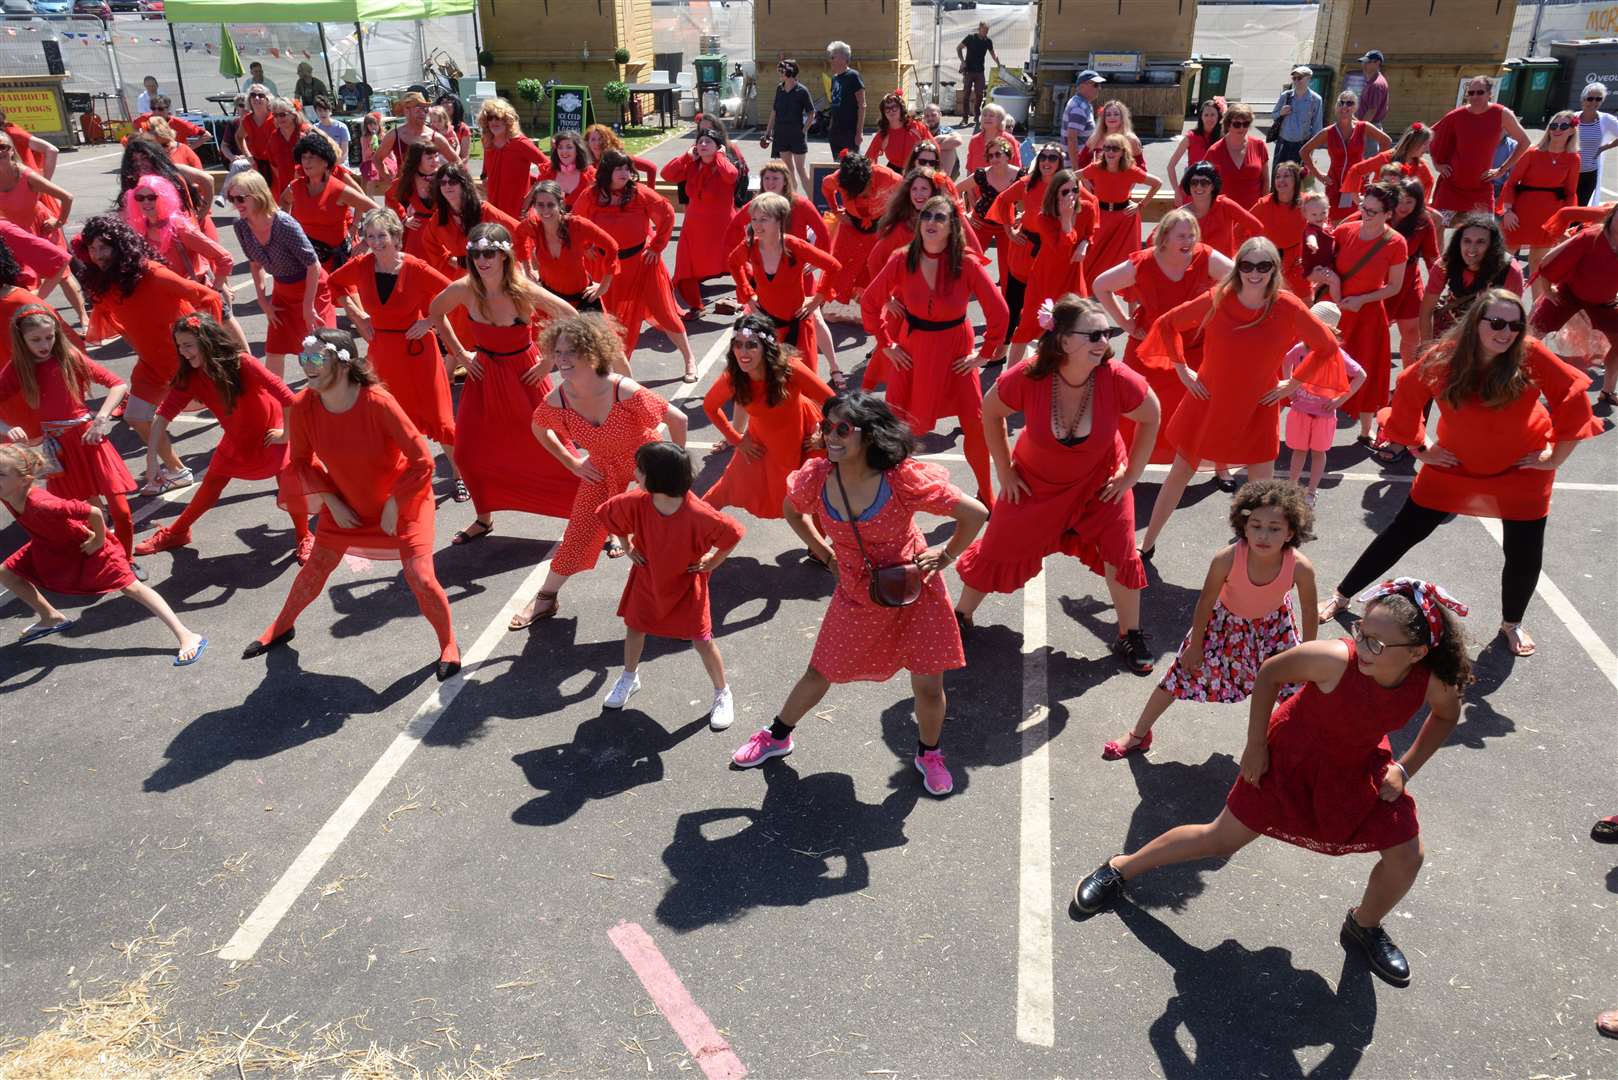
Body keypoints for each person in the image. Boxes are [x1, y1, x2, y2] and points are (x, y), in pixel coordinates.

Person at [1074, 578, 1471, 989]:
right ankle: (1120, 869)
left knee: (1408, 853)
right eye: (1362, 632)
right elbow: (1268, 674)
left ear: (1418, 653)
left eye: (1377, 643)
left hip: (1355, 766)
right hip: (1289, 758)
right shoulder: (1336, 658)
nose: (1362, 645)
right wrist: (1256, 744)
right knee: (1220, 840)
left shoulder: (1430, 681)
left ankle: (1363, 925)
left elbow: (1445, 715)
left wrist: (1404, 769)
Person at [728, 391, 987, 794]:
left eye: (843, 428)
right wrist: (825, 554)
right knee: (820, 670)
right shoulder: (816, 477)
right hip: (855, 591)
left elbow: (975, 513)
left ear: (869, 434)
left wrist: (945, 555)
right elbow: (792, 510)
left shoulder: (900, 478)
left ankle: (928, 754)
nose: (831, 435)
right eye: (826, 426)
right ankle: (777, 735)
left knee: (928, 687)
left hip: (913, 592)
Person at [1323, 290, 1602, 656]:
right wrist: (1421, 448)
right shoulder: (1447, 357)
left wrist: (1554, 458)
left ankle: (1511, 624)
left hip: (1521, 472)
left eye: (1515, 326)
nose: (1506, 333)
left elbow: (1575, 396)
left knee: (1524, 551)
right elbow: (1406, 394)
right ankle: (1343, 595)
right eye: (1497, 323)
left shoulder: (1530, 354)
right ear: (1476, 323)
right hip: (1452, 468)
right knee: (1402, 533)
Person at [953, 294, 1159, 671]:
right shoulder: (1030, 375)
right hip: (1035, 481)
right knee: (998, 542)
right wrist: (1005, 470)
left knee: (1121, 549)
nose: (1104, 343)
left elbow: (1152, 414)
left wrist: (1131, 475)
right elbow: (992, 410)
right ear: (1063, 340)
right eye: (1094, 335)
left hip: (1101, 482)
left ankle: (1130, 633)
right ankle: (961, 615)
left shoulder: (1115, 378)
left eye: (1107, 334)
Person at [245, 328, 460, 680]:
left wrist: (394, 502)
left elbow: (423, 460)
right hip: (346, 504)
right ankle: (281, 627)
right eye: (305, 358)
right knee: (315, 568)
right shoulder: (303, 406)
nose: (308, 366)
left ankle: (448, 644)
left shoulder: (377, 401)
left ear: (343, 364)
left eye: (317, 359)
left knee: (420, 577)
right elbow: (300, 462)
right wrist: (332, 499)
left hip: (404, 502)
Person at [1136, 236, 1346, 557]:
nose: (1255, 273)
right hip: (1208, 403)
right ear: (1239, 268)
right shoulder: (1218, 297)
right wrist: (1182, 370)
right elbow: (1167, 325)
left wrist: (1291, 385)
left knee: (1260, 492)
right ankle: (1147, 543)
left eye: (1264, 266)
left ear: (1274, 269)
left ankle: (1255, 556)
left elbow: (1326, 347)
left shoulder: (1288, 306)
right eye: (1247, 265)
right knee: (1180, 474)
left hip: (1257, 408)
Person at [1104, 479, 1317, 759]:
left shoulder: (1300, 567)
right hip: (1224, 625)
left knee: (1296, 692)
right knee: (1178, 676)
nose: (1263, 535)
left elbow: (1310, 612)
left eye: (1274, 529)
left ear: (1291, 532)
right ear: (1243, 525)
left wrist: (1307, 655)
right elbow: (1205, 602)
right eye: (1256, 526)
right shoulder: (1227, 559)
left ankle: (1282, 749)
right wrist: (1195, 647)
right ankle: (1138, 735)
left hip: (1274, 629)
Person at [515, 313, 688, 628]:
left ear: (591, 352)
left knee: (666, 525)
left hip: (644, 462)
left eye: (572, 352)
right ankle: (546, 598)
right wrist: (573, 463)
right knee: (579, 532)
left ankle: (680, 590)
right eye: (558, 352)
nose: (562, 360)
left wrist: (674, 469)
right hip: (601, 466)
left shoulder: (623, 389)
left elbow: (678, 419)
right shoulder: (558, 398)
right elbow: (539, 429)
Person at [427, 223, 580, 544]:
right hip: (484, 374)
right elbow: (434, 313)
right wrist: (461, 354)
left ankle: (593, 517)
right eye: (476, 253)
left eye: (490, 253)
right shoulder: (465, 288)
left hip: (524, 373)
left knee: (554, 447)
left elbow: (569, 314)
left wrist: (549, 360)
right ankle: (484, 518)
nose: (482, 260)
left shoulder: (521, 289)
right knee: (468, 452)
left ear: (504, 255)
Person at [861, 195, 1009, 505]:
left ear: (952, 225)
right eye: (927, 217)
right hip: (913, 350)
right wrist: (886, 344)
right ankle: (892, 492)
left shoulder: (966, 262)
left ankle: (987, 492)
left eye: (939, 218)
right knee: (896, 426)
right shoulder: (902, 259)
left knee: (976, 425)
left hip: (956, 353)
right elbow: (871, 302)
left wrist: (984, 354)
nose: (931, 222)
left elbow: (1000, 311)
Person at [0, 443, 204, 664]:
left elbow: (94, 512)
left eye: (0, 474)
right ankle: (51, 617)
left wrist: (98, 539)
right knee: (7, 572)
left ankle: (187, 635)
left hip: (85, 545)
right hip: (48, 544)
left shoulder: (43, 503)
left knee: (132, 587)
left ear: (24, 480)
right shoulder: (8, 494)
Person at [133, 312, 311, 562]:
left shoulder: (243, 362)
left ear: (206, 341)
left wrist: (286, 435)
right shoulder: (191, 377)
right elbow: (162, 418)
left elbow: (289, 399)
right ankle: (177, 532)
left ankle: (304, 536)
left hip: (271, 435)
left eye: (187, 345)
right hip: (237, 439)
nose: (183, 352)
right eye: (179, 346)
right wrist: (152, 461)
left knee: (289, 486)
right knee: (210, 486)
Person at [597, 440, 746, 727]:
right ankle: (629, 677)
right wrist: (627, 546)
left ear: (657, 477)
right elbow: (609, 514)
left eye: (639, 470)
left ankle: (722, 691)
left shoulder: (699, 513)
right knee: (635, 628)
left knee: (702, 640)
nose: (635, 474)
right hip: (647, 580)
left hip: (686, 586)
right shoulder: (637, 502)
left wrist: (713, 562)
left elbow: (733, 534)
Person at [72, 214, 222, 494]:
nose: (98, 255)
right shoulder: (102, 287)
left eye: (104, 247)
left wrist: (206, 344)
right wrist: (141, 350)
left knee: (233, 411)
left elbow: (209, 298)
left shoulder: (152, 273)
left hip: (190, 362)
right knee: (136, 416)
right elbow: (116, 322)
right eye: (92, 249)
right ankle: (177, 471)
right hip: (153, 365)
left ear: (121, 247)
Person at [329, 209, 461, 500]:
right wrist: (358, 316)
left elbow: (456, 292)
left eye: (382, 236)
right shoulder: (361, 265)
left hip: (418, 353)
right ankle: (399, 476)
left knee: (440, 419)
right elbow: (334, 283)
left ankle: (458, 474)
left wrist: (429, 322)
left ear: (396, 237)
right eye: (371, 236)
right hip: (383, 352)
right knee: (388, 418)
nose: (376, 242)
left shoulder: (415, 267)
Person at [1092, 207, 1235, 466]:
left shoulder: (1205, 257)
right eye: (1182, 236)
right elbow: (1100, 285)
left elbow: (1239, 280)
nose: (1189, 241)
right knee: (1132, 403)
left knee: (1202, 406)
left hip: (1192, 347)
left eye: (1192, 235)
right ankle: (1119, 463)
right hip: (1148, 347)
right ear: (1165, 237)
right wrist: (1124, 322)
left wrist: (1215, 313)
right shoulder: (1143, 262)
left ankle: (1218, 466)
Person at [0, 304, 137, 567]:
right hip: (60, 450)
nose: (44, 344)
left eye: (49, 337)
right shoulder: (19, 368)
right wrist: (7, 428)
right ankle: (113, 555)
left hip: (90, 439)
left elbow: (117, 384)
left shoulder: (68, 356)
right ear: (22, 339)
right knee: (85, 512)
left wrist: (101, 418)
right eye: (36, 340)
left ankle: (127, 559)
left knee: (121, 511)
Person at [574, 150, 699, 376]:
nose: (625, 173)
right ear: (607, 172)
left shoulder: (639, 193)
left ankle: (689, 359)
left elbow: (668, 213)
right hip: (608, 268)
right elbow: (576, 221)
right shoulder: (591, 195)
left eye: (627, 169)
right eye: (619, 169)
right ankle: (618, 372)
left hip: (642, 264)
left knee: (665, 314)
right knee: (609, 320)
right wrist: (585, 245)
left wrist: (657, 246)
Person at [702, 314, 833, 519]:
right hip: (759, 445)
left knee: (814, 499)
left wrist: (824, 435)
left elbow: (834, 403)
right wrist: (737, 440)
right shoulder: (734, 377)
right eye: (738, 344)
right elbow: (710, 407)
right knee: (723, 490)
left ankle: (819, 550)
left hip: (803, 439)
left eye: (751, 345)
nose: (743, 352)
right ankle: (685, 537)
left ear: (766, 348)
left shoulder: (790, 368)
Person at [1307, 182, 1407, 445]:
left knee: (1367, 369)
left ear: (1388, 214)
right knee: (1313, 362)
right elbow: (1320, 265)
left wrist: (1363, 299)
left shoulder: (1396, 242)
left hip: (1367, 313)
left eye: (1373, 211)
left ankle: (1365, 430)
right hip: (1334, 310)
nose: (1365, 214)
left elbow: (1394, 286)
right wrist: (1325, 278)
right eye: (1364, 207)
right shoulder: (1344, 231)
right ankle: (1305, 418)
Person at [226, 169, 336, 382]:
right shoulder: (241, 226)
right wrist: (263, 301)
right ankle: (274, 402)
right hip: (283, 291)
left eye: (240, 198)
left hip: (311, 288)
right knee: (275, 348)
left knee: (315, 349)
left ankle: (326, 392)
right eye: (232, 198)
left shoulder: (284, 224)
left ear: (258, 196)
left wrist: (307, 306)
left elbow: (313, 265)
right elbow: (255, 263)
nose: (236, 203)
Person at [726, 192, 841, 369]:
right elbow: (733, 263)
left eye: (763, 219)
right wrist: (748, 294)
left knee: (802, 380)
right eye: (754, 219)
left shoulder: (795, 245)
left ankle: (835, 368)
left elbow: (833, 266)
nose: (757, 225)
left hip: (797, 326)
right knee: (768, 382)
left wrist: (817, 300)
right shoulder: (749, 245)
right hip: (766, 327)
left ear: (779, 220)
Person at [1005, 169, 1095, 368]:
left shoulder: (1087, 209)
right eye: (1064, 192)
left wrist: (1085, 244)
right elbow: (1061, 249)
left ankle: (1072, 371)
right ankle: (1008, 375)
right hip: (1046, 275)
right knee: (1028, 323)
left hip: (1073, 274)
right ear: (1054, 193)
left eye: (1074, 190)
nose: (1071, 196)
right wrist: (1066, 218)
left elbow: (1090, 232)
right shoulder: (1043, 218)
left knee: (1077, 322)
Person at [1280, 302, 1367, 499]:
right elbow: (1286, 361)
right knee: (1299, 451)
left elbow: (1361, 374)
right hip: (1300, 410)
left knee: (1319, 453)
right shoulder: (1300, 349)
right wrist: (1289, 389)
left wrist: (1340, 399)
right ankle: (1291, 487)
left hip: (1324, 415)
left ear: (1328, 331)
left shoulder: (1336, 354)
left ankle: (1311, 491)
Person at [987, 144, 1067, 341]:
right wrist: (1010, 230)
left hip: (1051, 253)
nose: (1047, 162)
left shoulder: (1068, 186)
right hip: (1025, 249)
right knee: (1013, 302)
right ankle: (1002, 349)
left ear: (1060, 163)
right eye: (1043, 157)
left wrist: (1082, 241)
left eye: (1052, 158)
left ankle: (1047, 353)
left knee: (1050, 305)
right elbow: (1003, 201)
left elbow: (1090, 208)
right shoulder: (1027, 183)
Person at [661, 129, 741, 315]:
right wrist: (687, 156)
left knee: (738, 263)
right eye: (700, 142)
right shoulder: (691, 165)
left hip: (722, 227)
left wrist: (720, 156)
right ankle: (696, 306)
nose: (703, 145)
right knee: (686, 267)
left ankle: (752, 299)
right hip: (694, 227)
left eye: (708, 142)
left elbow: (730, 176)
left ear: (718, 146)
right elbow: (667, 174)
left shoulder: (724, 164)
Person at [1500, 112, 1582, 289]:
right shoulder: (1532, 154)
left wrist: (1564, 222)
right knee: (1504, 260)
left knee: (1538, 264)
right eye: (1553, 126)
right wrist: (1507, 211)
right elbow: (1512, 183)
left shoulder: (1573, 159)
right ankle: (1490, 299)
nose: (1557, 130)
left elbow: (1570, 193)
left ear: (1572, 131)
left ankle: (1536, 312)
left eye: (1563, 126)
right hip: (1520, 214)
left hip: (1549, 217)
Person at [1431, 77, 1531, 218]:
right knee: (1438, 226)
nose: (1475, 96)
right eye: (1471, 93)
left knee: (1484, 232)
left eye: (1480, 92)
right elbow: (1429, 135)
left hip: (1481, 187)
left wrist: (1502, 169)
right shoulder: (1456, 115)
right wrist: (1437, 164)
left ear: (1490, 93)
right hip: (1452, 185)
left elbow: (1524, 141)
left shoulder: (1501, 114)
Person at [516, 179, 618, 315]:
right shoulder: (533, 226)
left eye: (550, 205)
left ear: (560, 204)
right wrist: (527, 267)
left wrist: (603, 286)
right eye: (540, 205)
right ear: (534, 206)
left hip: (581, 300)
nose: (545, 210)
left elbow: (612, 246)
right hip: (550, 300)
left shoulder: (578, 225)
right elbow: (518, 236)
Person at [1419, 212, 1523, 345]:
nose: (1472, 249)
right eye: (1467, 241)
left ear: (1492, 245)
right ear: (1459, 242)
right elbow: (1426, 312)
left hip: (1493, 331)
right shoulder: (1445, 264)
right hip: (1451, 331)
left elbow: (1512, 319)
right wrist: (1427, 350)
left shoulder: (1510, 270)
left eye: (1481, 242)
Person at [281, 131, 376, 272]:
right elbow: (284, 200)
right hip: (308, 261)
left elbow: (377, 211)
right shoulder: (295, 187)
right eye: (304, 157)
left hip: (339, 262)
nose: (306, 162)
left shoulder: (339, 189)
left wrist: (367, 240)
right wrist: (287, 229)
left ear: (325, 162)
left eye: (312, 157)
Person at [818, 153, 903, 307]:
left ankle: (873, 301)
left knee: (874, 264)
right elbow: (826, 187)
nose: (860, 197)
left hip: (879, 225)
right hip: (850, 224)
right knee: (838, 262)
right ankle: (821, 299)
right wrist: (836, 211)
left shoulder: (887, 176)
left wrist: (895, 217)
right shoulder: (837, 179)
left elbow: (906, 192)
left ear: (869, 178)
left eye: (862, 192)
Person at [1080, 134, 1161, 290]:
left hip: (1124, 219)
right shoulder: (1096, 167)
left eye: (1115, 148)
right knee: (1090, 256)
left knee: (1127, 263)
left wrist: (1141, 205)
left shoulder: (1130, 170)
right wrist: (1086, 195)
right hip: (1100, 216)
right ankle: (1084, 292)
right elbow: (1072, 177)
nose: (1110, 152)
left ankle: (1129, 308)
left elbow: (1157, 183)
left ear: (1123, 152)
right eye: (1107, 148)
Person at [1299, 90, 1390, 222]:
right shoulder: (1329, 132)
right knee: (1335, 223)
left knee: (1359, 222)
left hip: (1358, 185)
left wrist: (1373, 169)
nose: (1344, 106)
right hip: (1335, 184)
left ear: (1355, 107)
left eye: (1349, 103)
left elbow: (1386, 142)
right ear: (1336, 107)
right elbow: (1304, 151)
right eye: (1341, 103)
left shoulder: (1363, 127)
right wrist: (1318, 174)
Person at [1385, 176, 1440, 363]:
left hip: (1409, 283)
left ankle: (1407, 380)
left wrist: (1442, 282)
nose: (1404, 206)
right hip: (1378, 283)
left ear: (1418, 203)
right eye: (1400, 200)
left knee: (1411, 333)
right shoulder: (1378, 214)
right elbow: (1345, 229)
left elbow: (1433, 258)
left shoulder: (1423, 222)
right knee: (1375, 335)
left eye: (1410, 201)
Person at [1171, 160, 1263, 258]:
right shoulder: (1181, 215)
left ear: (1213, 186)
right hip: (1192, 270)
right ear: (1188, 186)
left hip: (1224, 271)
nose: (1198, 186)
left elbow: (1257, 227)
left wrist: (1242, 258)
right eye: (1194, 182)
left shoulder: (1225, 205)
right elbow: (1159, 240)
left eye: (1204, 182)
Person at [475, 98, 546, 219]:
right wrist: (484, 178)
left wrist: (530, 198)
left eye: (498, 117)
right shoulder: (487, 141)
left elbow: (548, 167)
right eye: (490, 118)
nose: (493, 121)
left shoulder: (521, 143)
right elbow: (486, 169)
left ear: (507, 120)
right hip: (493, 207)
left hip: (516, 209)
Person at [1339, 122, 1435, 209]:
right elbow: (1356, 170)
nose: (1427, 149)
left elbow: (1429, 183)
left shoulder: (1420, 164)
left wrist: (1420, 205)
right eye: (1425, 144)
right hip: (1380, 208)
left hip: (1403, 212)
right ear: (1414, 143)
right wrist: (1358, 200)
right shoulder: (1385, 158)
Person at [1252, 161, 1309, 297]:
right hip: (1269, 259)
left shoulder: (1306, 201)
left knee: (1305, 300)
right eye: (1277, 176)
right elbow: (1239, 229)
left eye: (1286, 176)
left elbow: (1322, 224)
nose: (1281, 180)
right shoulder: (1264, 204)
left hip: (1297, 259)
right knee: (1269, 300)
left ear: (1295, 180)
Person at [762, 59, 815, 194]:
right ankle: (794, 198)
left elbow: (811, 113)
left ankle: (813, 200)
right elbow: (774, 111)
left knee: (800, 170)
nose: (779, 74)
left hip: (796, 134)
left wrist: (803, 131)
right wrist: (767, 132)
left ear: (790, 72)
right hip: (781, 134)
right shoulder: (779, 89)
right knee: (788, 170)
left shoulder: (802, 91)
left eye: (782, 71)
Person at [379, 92, 459, 181]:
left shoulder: (435, 137)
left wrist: (447, 181)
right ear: (406, 110)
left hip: (430, 191)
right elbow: (377, 159)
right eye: (418, 109)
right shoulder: (394, 135)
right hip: (405, 191)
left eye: (425, 109)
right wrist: (390, 180)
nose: (422, 113)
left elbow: (456, 162)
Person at [1204, 102, 1269, 210]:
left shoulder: (1259, 146)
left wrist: (1265, 207)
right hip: (1224, 214)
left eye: (1246, 124)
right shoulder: (1214, 151)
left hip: (1253, 213)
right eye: (1237, 124)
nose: (1242, 128)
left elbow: (1265, 180)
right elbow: (1205, 183)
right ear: (1228, 125)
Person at [385, 142, 442, 260]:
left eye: (436, 156)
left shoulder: (445, 177)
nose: (435, 160)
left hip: (442, 230)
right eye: (430, 157)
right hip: (417, 233)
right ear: (417, 160)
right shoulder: (408, 180)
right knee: (417, 272)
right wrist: (404, 218)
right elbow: (390, 197)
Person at [1165, 98, 1224, 204]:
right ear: (1201, 117)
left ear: (1219, 116)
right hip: (1192, 189)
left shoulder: (1224, 138)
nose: (1209, 118)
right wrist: (1177, 191)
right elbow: (1170, 166)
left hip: (1214, 190)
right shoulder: (1191, 137)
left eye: (1212, 115)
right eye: (1206, 115)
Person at [1271, 66, 1324, 178]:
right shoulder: (1286, 96)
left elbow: (1317, 128)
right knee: (1277, 176)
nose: (1296, 81)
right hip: (1283, 143)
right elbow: (1274, 115)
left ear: (1308, 79)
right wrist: (1281, 113)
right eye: (1294, 78)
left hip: (1301, 146)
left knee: (1296, 179)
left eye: (1299, 78)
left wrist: (1310, 151)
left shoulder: (1315, 100)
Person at [1574, 83, 1618, 206]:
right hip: (1569, 171)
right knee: (1563, 207)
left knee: (1580, 208)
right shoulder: (1572, 118)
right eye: (1590, 98)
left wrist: (1605, 147)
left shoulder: (1606, 119)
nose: (1594, 102)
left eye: (1598, 99)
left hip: (1589, 173)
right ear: (1582, 100)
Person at [825, 41, 866, 160]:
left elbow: (862, 105)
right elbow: (834, 104)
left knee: (851, 167)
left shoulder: (853, 76)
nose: (830, 60)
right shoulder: (835, 78)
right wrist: (831, 128)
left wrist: (859, 133)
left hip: (850, 133)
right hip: (835, 132)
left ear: (843, 58)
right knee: (837, 167)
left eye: (833, 56)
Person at [585, 124, 657, 186]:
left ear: (607, 141)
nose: (597, 143)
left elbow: (651, 168)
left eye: (600, 139)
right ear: (587, 142)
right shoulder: (585, 161)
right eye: (593, 139)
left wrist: (651, 190)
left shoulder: (618, 158)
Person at [956, 21, 999, 124]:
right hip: (969, 71)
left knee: (979, 95)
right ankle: (965, 118)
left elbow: (993, 53)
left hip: (980, 72)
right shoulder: (971, 38)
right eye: (984, 30)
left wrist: (999, 64)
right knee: (966, 94)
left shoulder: (988, 41)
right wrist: (962, 61)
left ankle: (976, 115)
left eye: (987, 31)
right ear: (979, 29)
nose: (986, 32)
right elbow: (959, 48)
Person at [1062, 70, 1105, 168]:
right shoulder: (1079, 107)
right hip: (1078, 166)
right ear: (1082, 86)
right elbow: (1072, 138)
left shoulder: (1083, 104)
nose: (1099, 88)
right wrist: (1076, 168)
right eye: (1096, 85)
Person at [433, 92, 473, 161]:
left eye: (448, 102)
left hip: (456, 168)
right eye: (442, 102)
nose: (445, 105)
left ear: (456, 105)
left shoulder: (463, 128)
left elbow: (464, 157)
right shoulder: (432, 127)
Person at [311, 96, 350, 162]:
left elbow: (344, 154)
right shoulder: (314, 129)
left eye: (325, 110)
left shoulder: (341, 127)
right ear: (316, 112)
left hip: (340, 164)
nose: (323, 113)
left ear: (330, 111)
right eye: (320, 110)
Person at [1356, 50, 1389, 125]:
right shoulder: (1372, 81)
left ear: (1378, 63)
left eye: (1368, 62)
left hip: (1369, 127)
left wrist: (1359, 128)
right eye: (1363, 62)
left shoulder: (1376, 85)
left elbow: (1372, 111)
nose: (1364, 64)